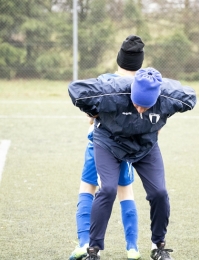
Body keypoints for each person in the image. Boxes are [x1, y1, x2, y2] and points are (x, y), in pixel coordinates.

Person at [68, 67, 197, 260]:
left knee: (159, 193)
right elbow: (75, 90)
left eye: (146, 106)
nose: (140, 109)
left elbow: (190, 98)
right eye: (137, 104)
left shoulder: (168, 96)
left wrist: (165, 116)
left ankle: (158, 246)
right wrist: (94, 112)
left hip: (144, 146)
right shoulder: (115, 90)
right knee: (108, 190)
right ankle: (93, 251)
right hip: (109, 143)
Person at [68, 35, 145, 260]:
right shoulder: (144, 84)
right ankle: (132, 248)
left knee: (87, 189)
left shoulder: (106, 81)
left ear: (119, 59)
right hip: (126, 148)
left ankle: (85, 242)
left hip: (99, 144)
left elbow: (91, 116)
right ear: (140, 62)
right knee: (125, 192)